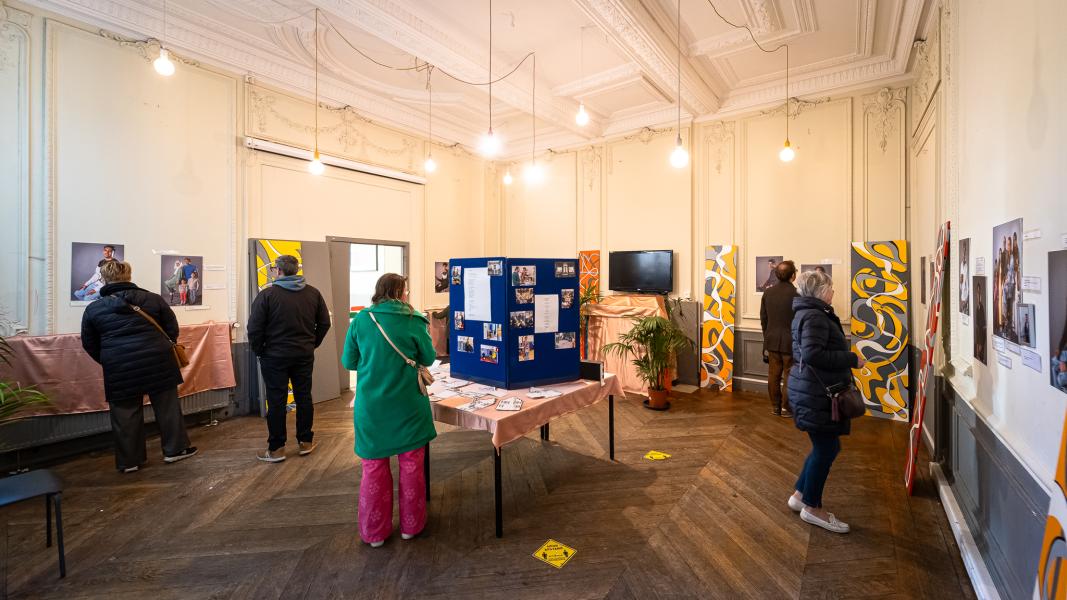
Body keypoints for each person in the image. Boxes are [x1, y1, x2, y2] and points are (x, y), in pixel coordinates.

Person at [342, 274, 436, 547]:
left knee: (373, 468)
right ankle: (411, 526)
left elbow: (349, 360)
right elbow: (428, 357)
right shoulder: (413, 320)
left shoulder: (361, 320)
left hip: (372, 408)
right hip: (408, 405)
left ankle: (375, 533)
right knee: (412, 468)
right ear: (401, 292)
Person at [80, 260, 197, 472]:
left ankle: (129, 461)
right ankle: (175, 450)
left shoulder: (94, 308)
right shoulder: (152, 299)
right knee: (167, 408)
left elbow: (90, 343)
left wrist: (109, 359)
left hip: (119, 367)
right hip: (158, 360)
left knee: (125, 413)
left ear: (105, 278)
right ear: (129, 276)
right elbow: (172, 328)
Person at [786, 270, 864, 534]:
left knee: (823, 446)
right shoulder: (816, 316)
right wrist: (851, 359)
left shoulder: (807, 312)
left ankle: (799, 496)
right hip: (817, 394)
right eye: (831, 288)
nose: (833, 293)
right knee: (827, 448)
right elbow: (813, 353)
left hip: (811, 391)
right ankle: (812, 507)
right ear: (820, 292)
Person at [247, 254, 331, 462]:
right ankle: (305, 442)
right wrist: (311, 344)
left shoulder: (267, 295)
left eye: (274, 268)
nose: (273, 271)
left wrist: (260, 351)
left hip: (274, 357)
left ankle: (276, 449)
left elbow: (254, 329)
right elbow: (324, 324)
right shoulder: (313, 293)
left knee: (276, 401)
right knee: (304, 397)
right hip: (303, 355)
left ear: (279, 270)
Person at [760, 260, 798, 417]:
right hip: (791, 342)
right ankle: (786, 408)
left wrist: (767, 336)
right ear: (793, 275)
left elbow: (764, 318)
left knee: (773, 375)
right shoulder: (797, 295)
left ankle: (775, 407)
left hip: (772, 340)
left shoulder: (768, 293)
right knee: (789, 375)